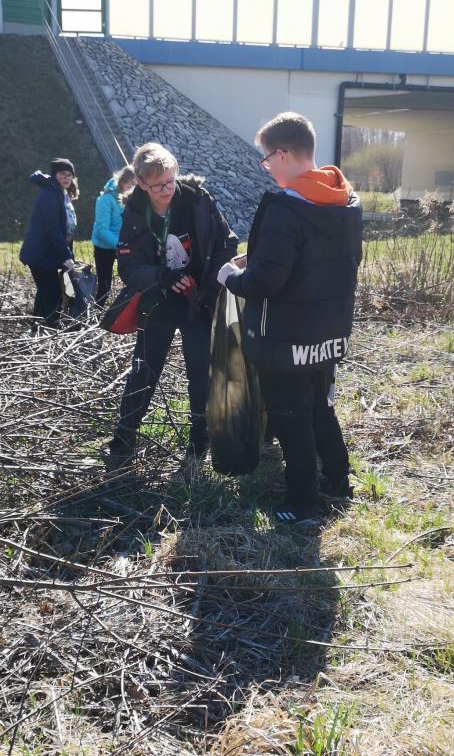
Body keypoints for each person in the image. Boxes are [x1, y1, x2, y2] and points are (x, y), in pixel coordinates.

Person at [217, 112, 362, 525]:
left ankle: (301, 501)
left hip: (283, 338)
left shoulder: (286, 209)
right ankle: (338, 480)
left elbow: (265, 282)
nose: (266, 167)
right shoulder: (346, 201)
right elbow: (326, 263)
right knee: (320, 408)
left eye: (266, 159)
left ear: (282, 154)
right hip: (327, 332)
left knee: (290, 417)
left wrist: (229, 276)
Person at [106, 142, 237, 469]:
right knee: (143, 371)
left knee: (200, 371)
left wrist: (210, 287)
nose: (167, 190)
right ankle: (123, 440)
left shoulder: (198, 200)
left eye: (170, 181)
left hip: (199, 301)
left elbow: (226, 244)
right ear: (141, 184)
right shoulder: (134, 212)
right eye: (158, 186)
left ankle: (199, 441)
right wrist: (162, 276)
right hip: (158, 301)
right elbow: (128, 268)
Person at [19, 158, 77, 328]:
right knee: (52, 292)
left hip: (48, 253)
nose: (66, 178)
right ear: (54, 175)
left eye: (69, 174)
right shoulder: (49, 195)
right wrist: (66, 256)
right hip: (40, 253)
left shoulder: (59, 193)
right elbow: (53, 229)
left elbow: (65, 228)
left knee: (46, 291)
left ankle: (36, 325)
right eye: (62, 174)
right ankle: (51, 326)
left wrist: (68, 254)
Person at [91, 165, 136, 305]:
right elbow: (102, 230)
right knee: (104, 285)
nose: (132, 187)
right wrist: (121, 245)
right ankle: (99, 310)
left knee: (133, 280)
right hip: (104, 246)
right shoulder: (105, 199)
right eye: (130, 183)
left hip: (124, 244)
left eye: (135, 184)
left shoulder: (133, 199)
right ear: (122, 181)